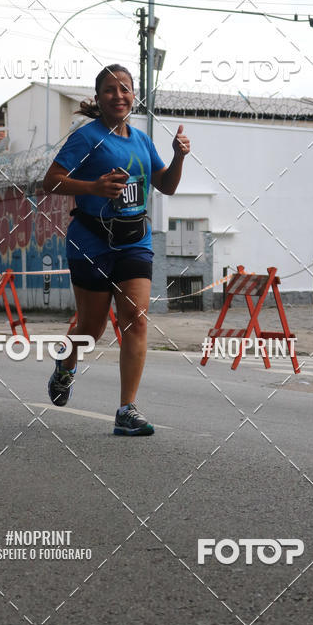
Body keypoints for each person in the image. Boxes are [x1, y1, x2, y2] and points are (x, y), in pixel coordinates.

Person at [42, 64, 190, 436]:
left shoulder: (141, 140)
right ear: (99, 97)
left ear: (134, 95)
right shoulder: (86, 137)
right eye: (110, 89)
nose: (119, 95)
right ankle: (66, 362)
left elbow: (166, 186)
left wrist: (179, 157)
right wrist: (93, 188)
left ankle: (127, 409)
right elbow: (51, 182)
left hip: (134, 241)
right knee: (91, 329)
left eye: (125, 88)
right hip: (91, 240)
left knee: (136, 320)